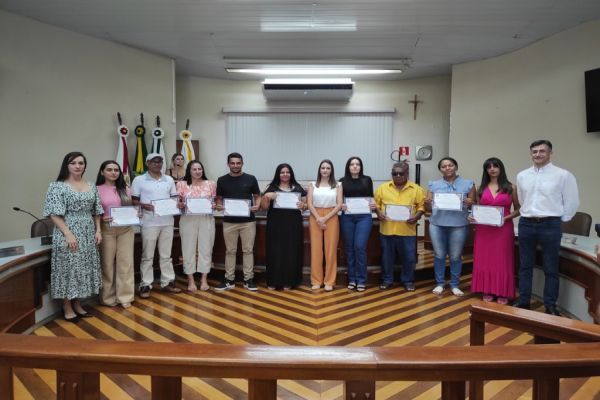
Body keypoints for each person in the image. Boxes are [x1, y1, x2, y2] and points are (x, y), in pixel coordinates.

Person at [515, 139, 579, 316]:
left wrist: (559, 219)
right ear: (531, 154)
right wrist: (530, 212)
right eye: (534, 152)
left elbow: (572, 201)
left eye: (542, 151)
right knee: (525, 266)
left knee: (551, 267)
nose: (538, 154)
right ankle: (524, 302)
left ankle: (550, 305)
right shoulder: (522, 175)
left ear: (550, 153)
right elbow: (522, 200)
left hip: (550, 225)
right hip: (526, 223)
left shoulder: (563, 175)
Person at [43, 152, 103, 322]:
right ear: (66, 166)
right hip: (67, 231)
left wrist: (98, 230)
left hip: (88, 231)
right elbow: (53, 214)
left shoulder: (91, 185)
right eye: (73, 163)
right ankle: (67, 306)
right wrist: (68, 234)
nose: (78, 166)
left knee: (82, 268)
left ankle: (77, 303)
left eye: (81, 163)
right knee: (68, 269)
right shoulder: (57, 186)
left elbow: (97, 210)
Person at [131, 153, 182, 298]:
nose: (157, 164)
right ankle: (145, 284)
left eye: (160, 162)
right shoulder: (139, 180)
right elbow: (134, 200)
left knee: (166, 255)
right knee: (147, 255)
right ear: (147, 163)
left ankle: (168, 282)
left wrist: (178, 203)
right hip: (149, 222)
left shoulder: (169, 179)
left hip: (167, 222)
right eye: (154, 162)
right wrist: (144, 206)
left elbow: (174, 198)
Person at [470, 157, 520, 304]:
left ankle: (503, 291)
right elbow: (478, 209)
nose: (492, 169)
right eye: (489, 167)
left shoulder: (511, 187)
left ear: (501, 168)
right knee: (485, 259)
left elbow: (519, 209)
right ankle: (487, 289)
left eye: (495, 166)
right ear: (486, 170)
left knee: (502, 260)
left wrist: (505, 218)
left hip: (503, 228)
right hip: (484, 229)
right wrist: (473, 217)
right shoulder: (481, 188)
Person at [426, 157, 476, 296]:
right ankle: (440, 283)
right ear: (440, 169)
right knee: (439, 255)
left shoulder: (468, 184)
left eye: (450, 165)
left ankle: (454, 284)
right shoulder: (433, 185)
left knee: (455, 256)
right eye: (444, 166)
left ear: (456, 166)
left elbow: (473, 202)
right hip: (437, 224)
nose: (447, 168)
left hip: (458, 225)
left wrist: (469, 201)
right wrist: (428, 202)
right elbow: (427, 206)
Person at [374, 162, 425, 291]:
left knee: (409, 257)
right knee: (387, 257)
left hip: (407, 230)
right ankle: (387, 280)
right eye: (394, 173)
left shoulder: (416, 189)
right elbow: (376, 204)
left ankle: (407, 281)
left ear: (407, 174)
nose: (397, 176)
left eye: (401, 173)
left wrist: (417, 216)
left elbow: (421, 206)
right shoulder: (383, 188)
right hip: (387, 229)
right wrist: (379, 213)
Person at [215, 152, 261, 291]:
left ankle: (249, 279)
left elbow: (258, 196)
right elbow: (219, 198)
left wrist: (257, 205)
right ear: (228, 164)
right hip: (229, 221)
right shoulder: (221, 180)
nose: (235, 165)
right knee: (230, 251)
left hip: (248, 222)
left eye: (238, 163)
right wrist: (218, 204)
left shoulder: (251, 178)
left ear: (242, 163)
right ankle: (229, 279)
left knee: (248, 250)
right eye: (232, 163)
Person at [96, 160, 135, 309]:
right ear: (102, 172)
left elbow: (131, 208)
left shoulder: (125, 188)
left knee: (126, 263)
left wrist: (136, 214)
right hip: (106, 229)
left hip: (126, 229)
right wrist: (101, 218)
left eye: (116, 170)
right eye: (109, 170)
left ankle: (125, 296)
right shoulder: (96, 189)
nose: (113, 172)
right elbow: (92, 211)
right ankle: (107, 297)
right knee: (107, 264)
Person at [261, 163, 307, 290]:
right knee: (275, 252)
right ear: (278, 174)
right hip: (275, 226)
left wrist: (303, 205)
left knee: (291, 252)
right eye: (282, 172)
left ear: (291, 174)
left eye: (287, 172)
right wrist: (266, 197)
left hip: (293, 226)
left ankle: (289, 281)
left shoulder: (298, 188)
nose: (285, 174)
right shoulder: (271, 187)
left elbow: (305, 204)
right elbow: (264, 207)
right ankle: (273, 281)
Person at [176, 160, 216, 292]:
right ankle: (191, 280)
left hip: (206, 219)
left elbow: (216, 201)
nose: (198, 171)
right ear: (189, 170)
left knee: (206, 249)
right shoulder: (181, 184)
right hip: (188, 219)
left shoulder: (211, 184)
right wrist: (180, 205)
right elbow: (177, 203)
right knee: (188, 250)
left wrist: (215, 205)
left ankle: (204, 279)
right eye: (194, 169)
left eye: (200, 169)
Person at [339, 157, 375, 292]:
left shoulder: (367, 180)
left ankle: (361, 279)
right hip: (347, 217)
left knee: (359, 247)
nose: (355, 166)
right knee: (349, 248)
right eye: (352, 164)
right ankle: (352, 279)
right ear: (348, 167)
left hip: (364, 217)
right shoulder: (342, 181)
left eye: (357, 164)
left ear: (361, 166)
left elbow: (371, 197)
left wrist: (373, 203)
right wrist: (340, 205)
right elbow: (339, 199)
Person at [307, 159, 343, 291]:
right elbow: (309, 203)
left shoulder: (338, 185)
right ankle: (316, 280)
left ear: (331, 170)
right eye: (323, 168)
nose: (325, 170)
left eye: (328, 168)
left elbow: (339, 204)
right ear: (319, 170)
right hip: (315, 215)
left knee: (331, 250)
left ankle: (329, 281)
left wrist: (325, 218)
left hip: (331, 216)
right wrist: (318, 218)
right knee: (316, 250)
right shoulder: (312, 184)